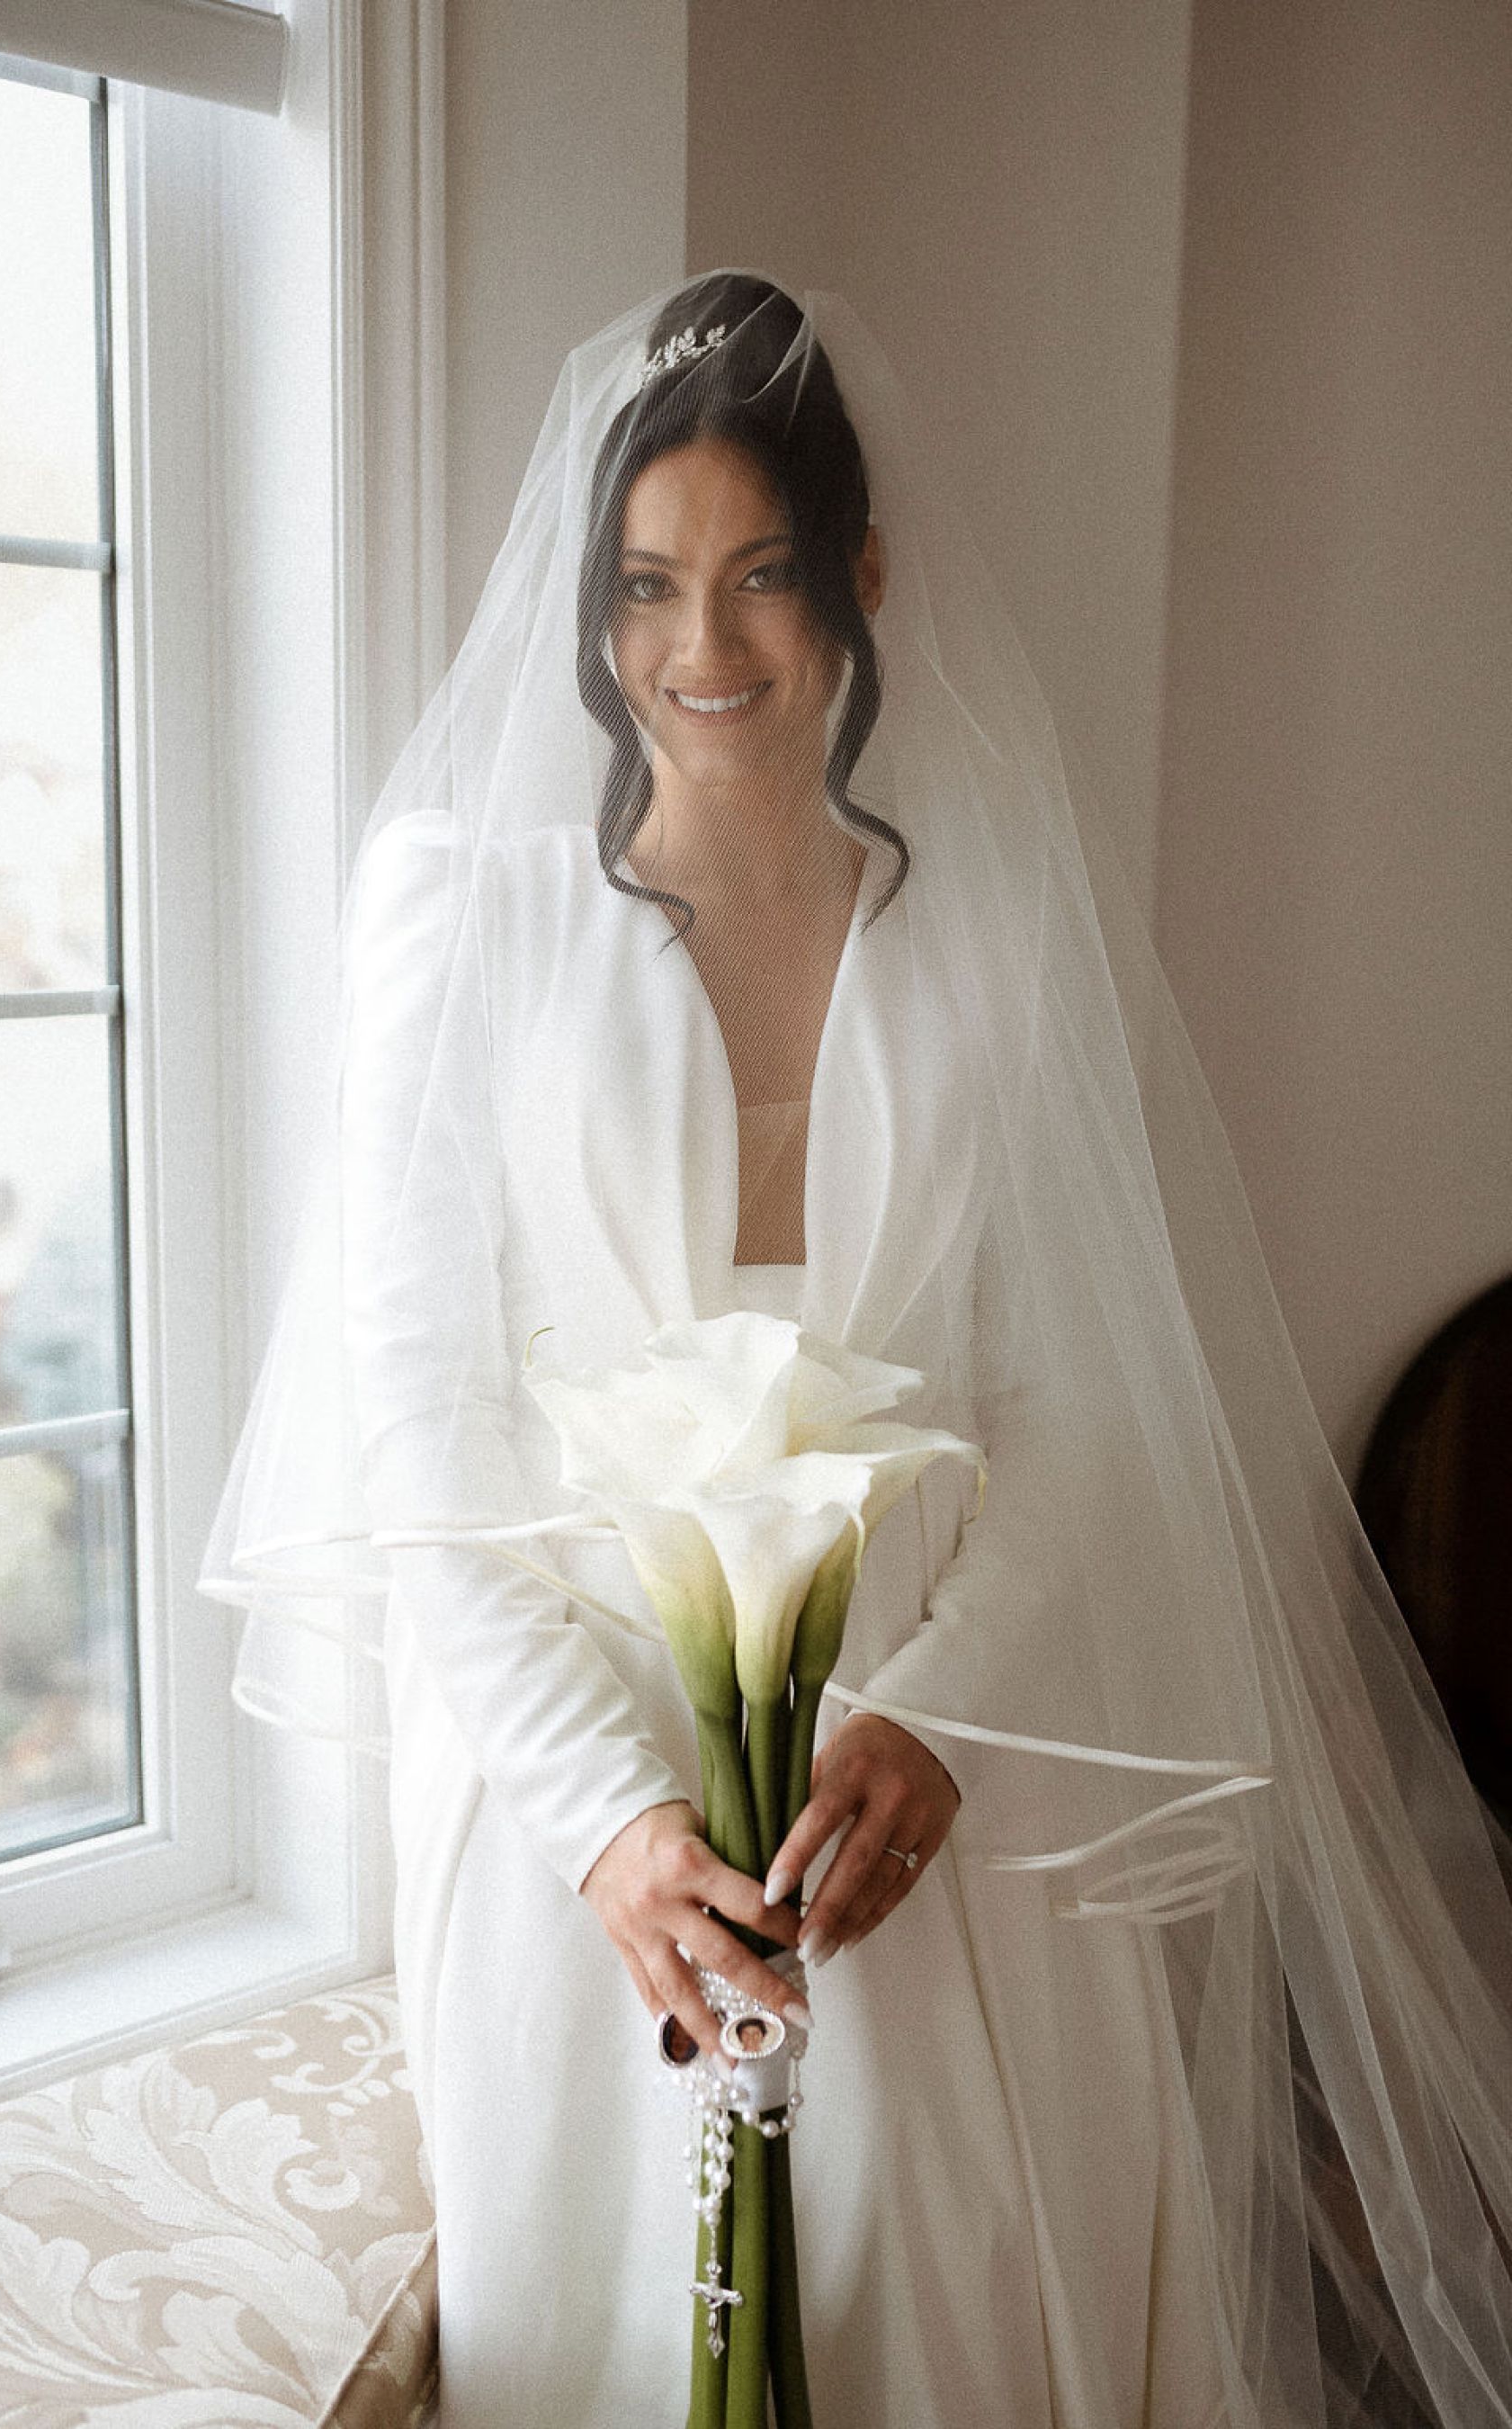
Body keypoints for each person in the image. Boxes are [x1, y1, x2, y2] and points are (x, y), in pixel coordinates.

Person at [202, 273, 1512, 2427]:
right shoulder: (466, 919)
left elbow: (1081, 1408)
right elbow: (416, 1426)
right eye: (644, 588)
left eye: (760, 577)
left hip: (922, 1786)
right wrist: (613, 1823)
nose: (697, 648)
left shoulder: (993, 947)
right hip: (590, 1817)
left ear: (863, 585)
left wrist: (941, 1718)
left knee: (971, 2302)